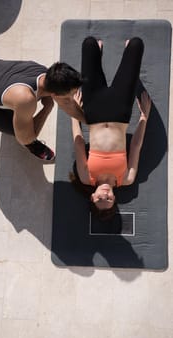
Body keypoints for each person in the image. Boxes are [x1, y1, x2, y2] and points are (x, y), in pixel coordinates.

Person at [70, 36, 152, 220]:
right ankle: (120, 52)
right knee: (137, 43)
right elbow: (135, 147)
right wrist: (144, 117)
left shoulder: (86, 177)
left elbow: (79, 144)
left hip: (94, 110)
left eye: (100, 198)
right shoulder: (126, 179)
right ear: (114, 199)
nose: (105, 195)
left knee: (89, 42)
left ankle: (97, 53)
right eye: (108, 199)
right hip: (120, 110)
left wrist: (75, 112)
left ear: (92, 197)